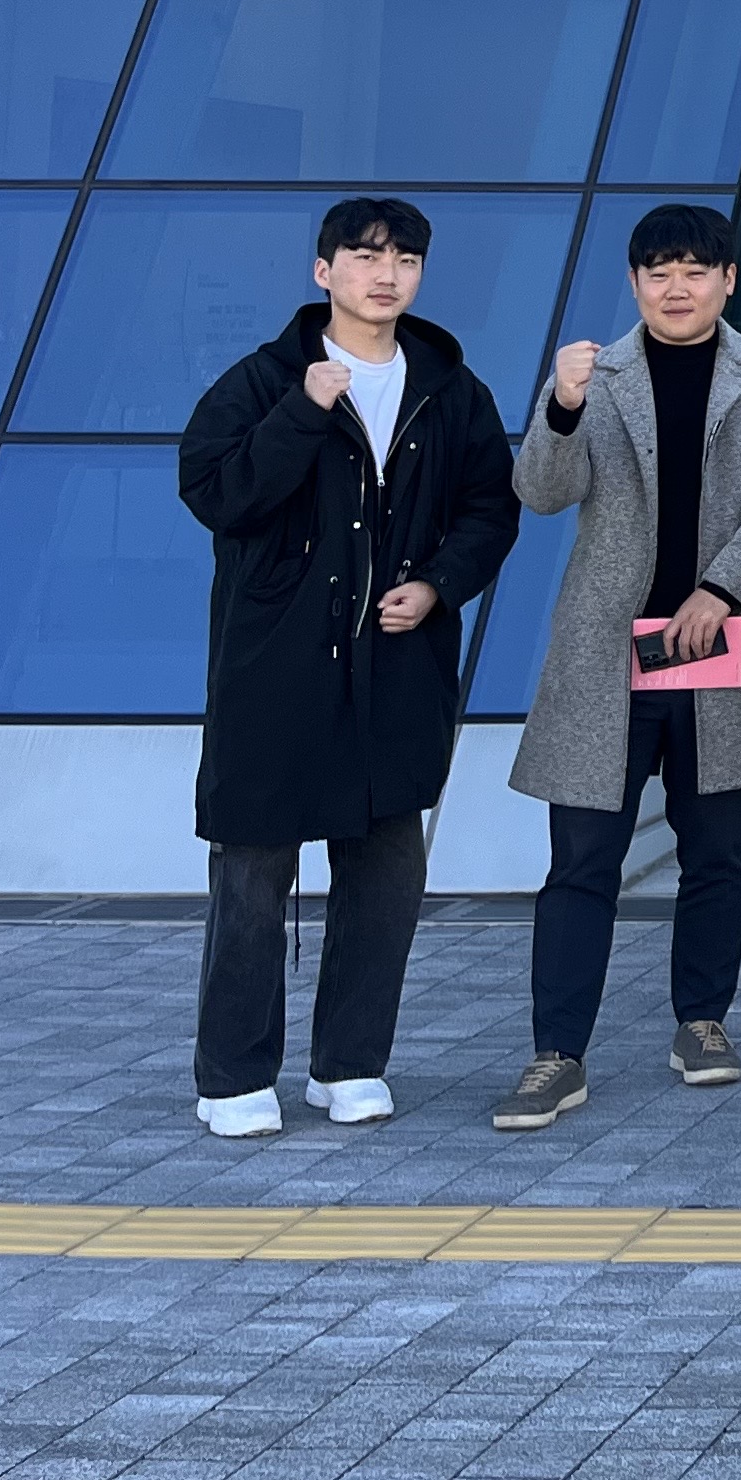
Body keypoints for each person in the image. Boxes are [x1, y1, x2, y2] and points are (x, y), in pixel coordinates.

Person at [177, 197, 520, 1136]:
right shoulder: (265, 381)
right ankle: (233, 1077)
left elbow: (491, 508)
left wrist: (440, 585)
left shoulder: (450, 389)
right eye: (365, 257)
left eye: (405, 259)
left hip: (397, 667)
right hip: (274, 669)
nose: (386, 274)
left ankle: (351, 1064)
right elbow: (216, 493)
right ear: (323, 270)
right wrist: (302, 411)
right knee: (252, 872)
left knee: (385, 875)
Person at [496, 205, 741, 1132]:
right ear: (635, 283)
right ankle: (557, 1053)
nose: (677, 288)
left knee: (717, 853)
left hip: (719, 647)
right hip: (607, 654)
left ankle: (702, 1022)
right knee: (581, 860)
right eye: (659, 272)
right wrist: (561, 407)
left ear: (727, 280)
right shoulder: (596, 375)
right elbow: (541, 492)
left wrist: (722, 587)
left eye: (695, 270)